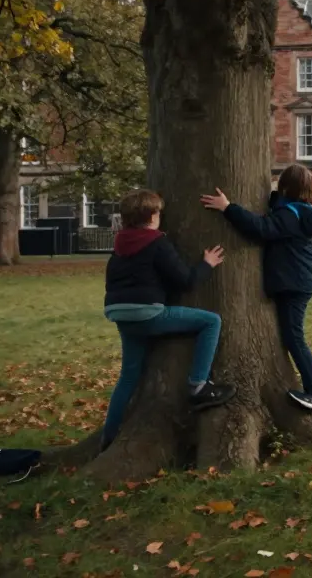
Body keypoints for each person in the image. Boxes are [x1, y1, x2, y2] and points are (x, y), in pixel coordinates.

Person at [101, 189, 233, 450]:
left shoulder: (119, 245)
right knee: (211, 321)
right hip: (147, 313)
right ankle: (198, 385)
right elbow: (185, 280)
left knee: (128, 377)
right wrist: (207, 264)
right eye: (158, 213)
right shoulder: (156, 242)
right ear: (151, 216)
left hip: (121, 314)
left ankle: (108, 438)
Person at [201, 165, 312, 415]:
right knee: (292, 335)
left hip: (295, 282)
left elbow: (261, 229)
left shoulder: (290, 215)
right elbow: (275, 217)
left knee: (294, 337)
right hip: (298, 279)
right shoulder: (298, 211)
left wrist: (228, 207)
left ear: (285, 188)